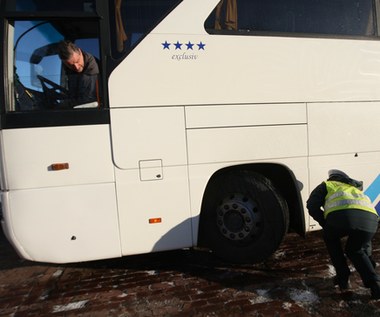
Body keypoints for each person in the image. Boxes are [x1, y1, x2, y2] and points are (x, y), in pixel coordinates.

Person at [307, 169, 380, 299]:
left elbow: (311, 205)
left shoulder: (327, 185)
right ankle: (375, 284)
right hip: (371, 221)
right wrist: (368, 258)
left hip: (340, 219)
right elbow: (364, 233)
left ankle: (343, 277)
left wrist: (325, 223)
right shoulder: (356, 190)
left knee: (331, 239)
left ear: (332, 178)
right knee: (356, 249)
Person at [58, 40, 99, 106]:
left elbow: (85, 101)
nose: (76, 67)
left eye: (77, 61)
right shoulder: (70, 72)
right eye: (70, 65)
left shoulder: (92, 71)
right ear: (64, 63)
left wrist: (64, 104)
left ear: (80, 51)